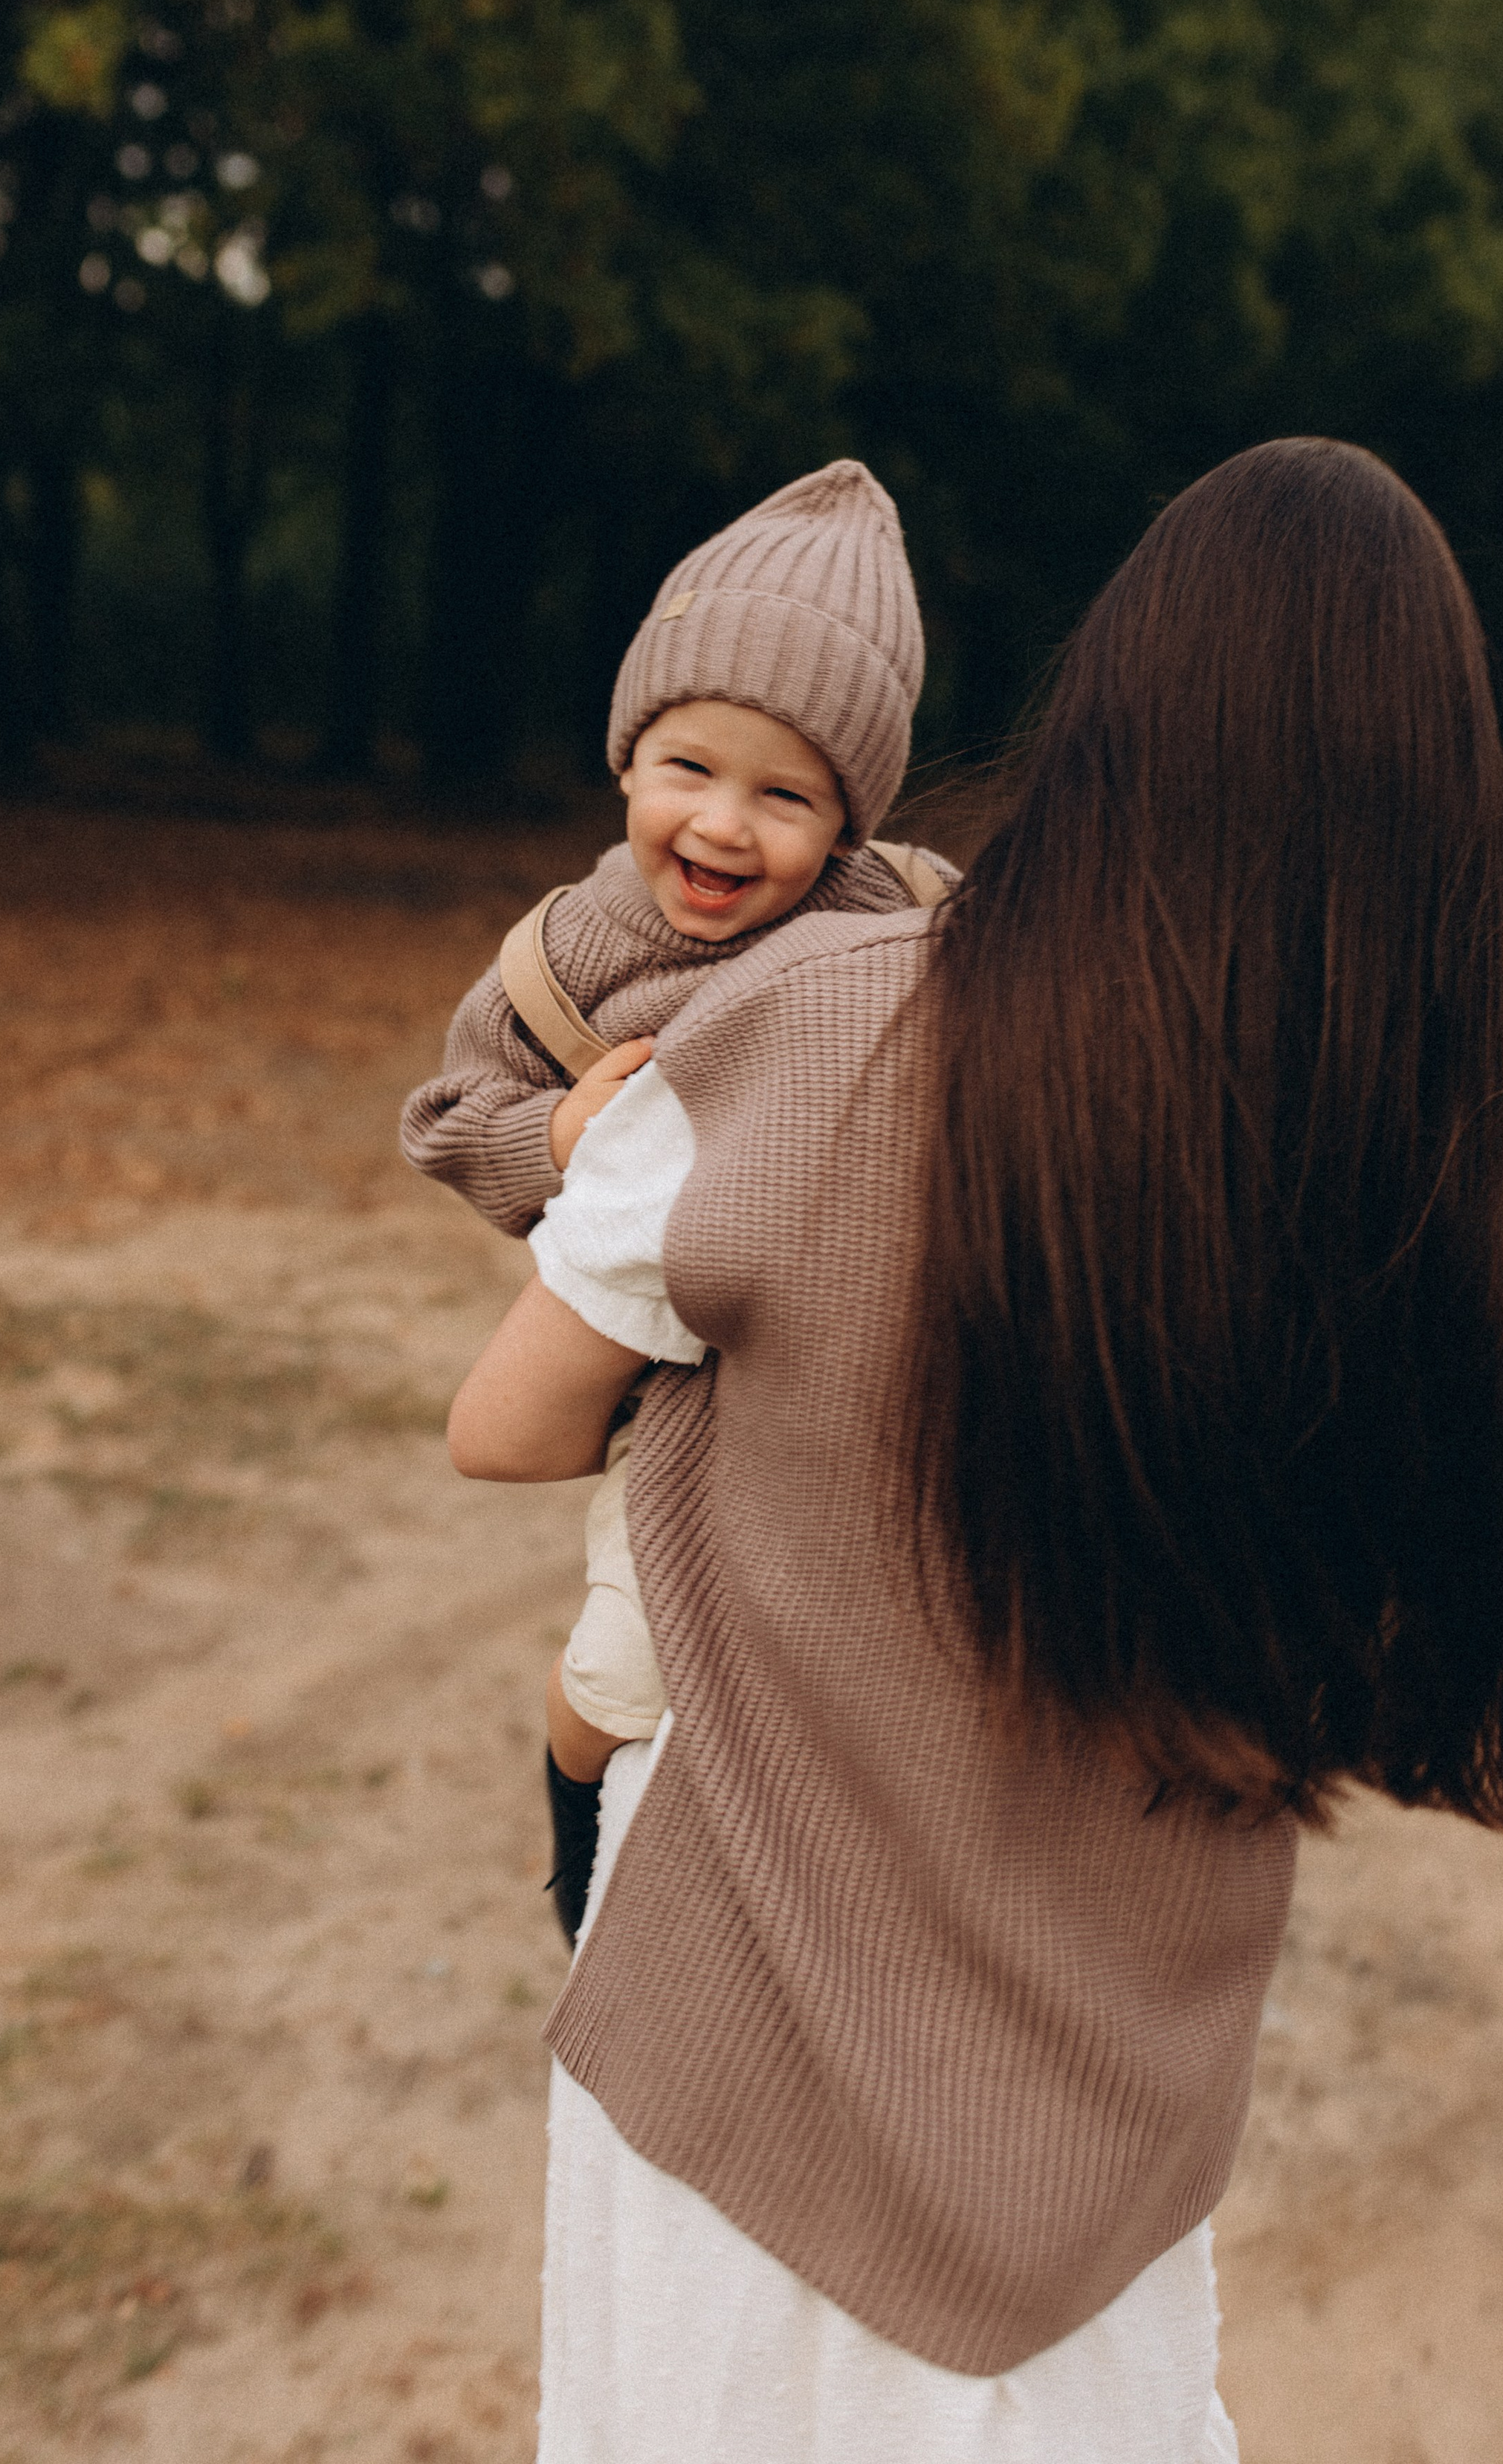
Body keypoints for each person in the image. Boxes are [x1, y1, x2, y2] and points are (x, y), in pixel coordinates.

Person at [447, 439, 1503, 2463]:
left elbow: (506, 1428)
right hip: (1096, 2168)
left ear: (1104, 716)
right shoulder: (1411, 1184)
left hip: (740, 2066)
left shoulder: (818, 1021)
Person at [400, 458, 953, 1928]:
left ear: (848, 825)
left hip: (851, 1346)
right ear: (625, 760)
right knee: (627, 1666)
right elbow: (448, 1118)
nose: (721, 826)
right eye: (687, 770)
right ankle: (575, 1789)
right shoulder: (565, 958)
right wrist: (555, 1138)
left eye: (785, 796)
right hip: (668, 1375)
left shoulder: (903, 913)